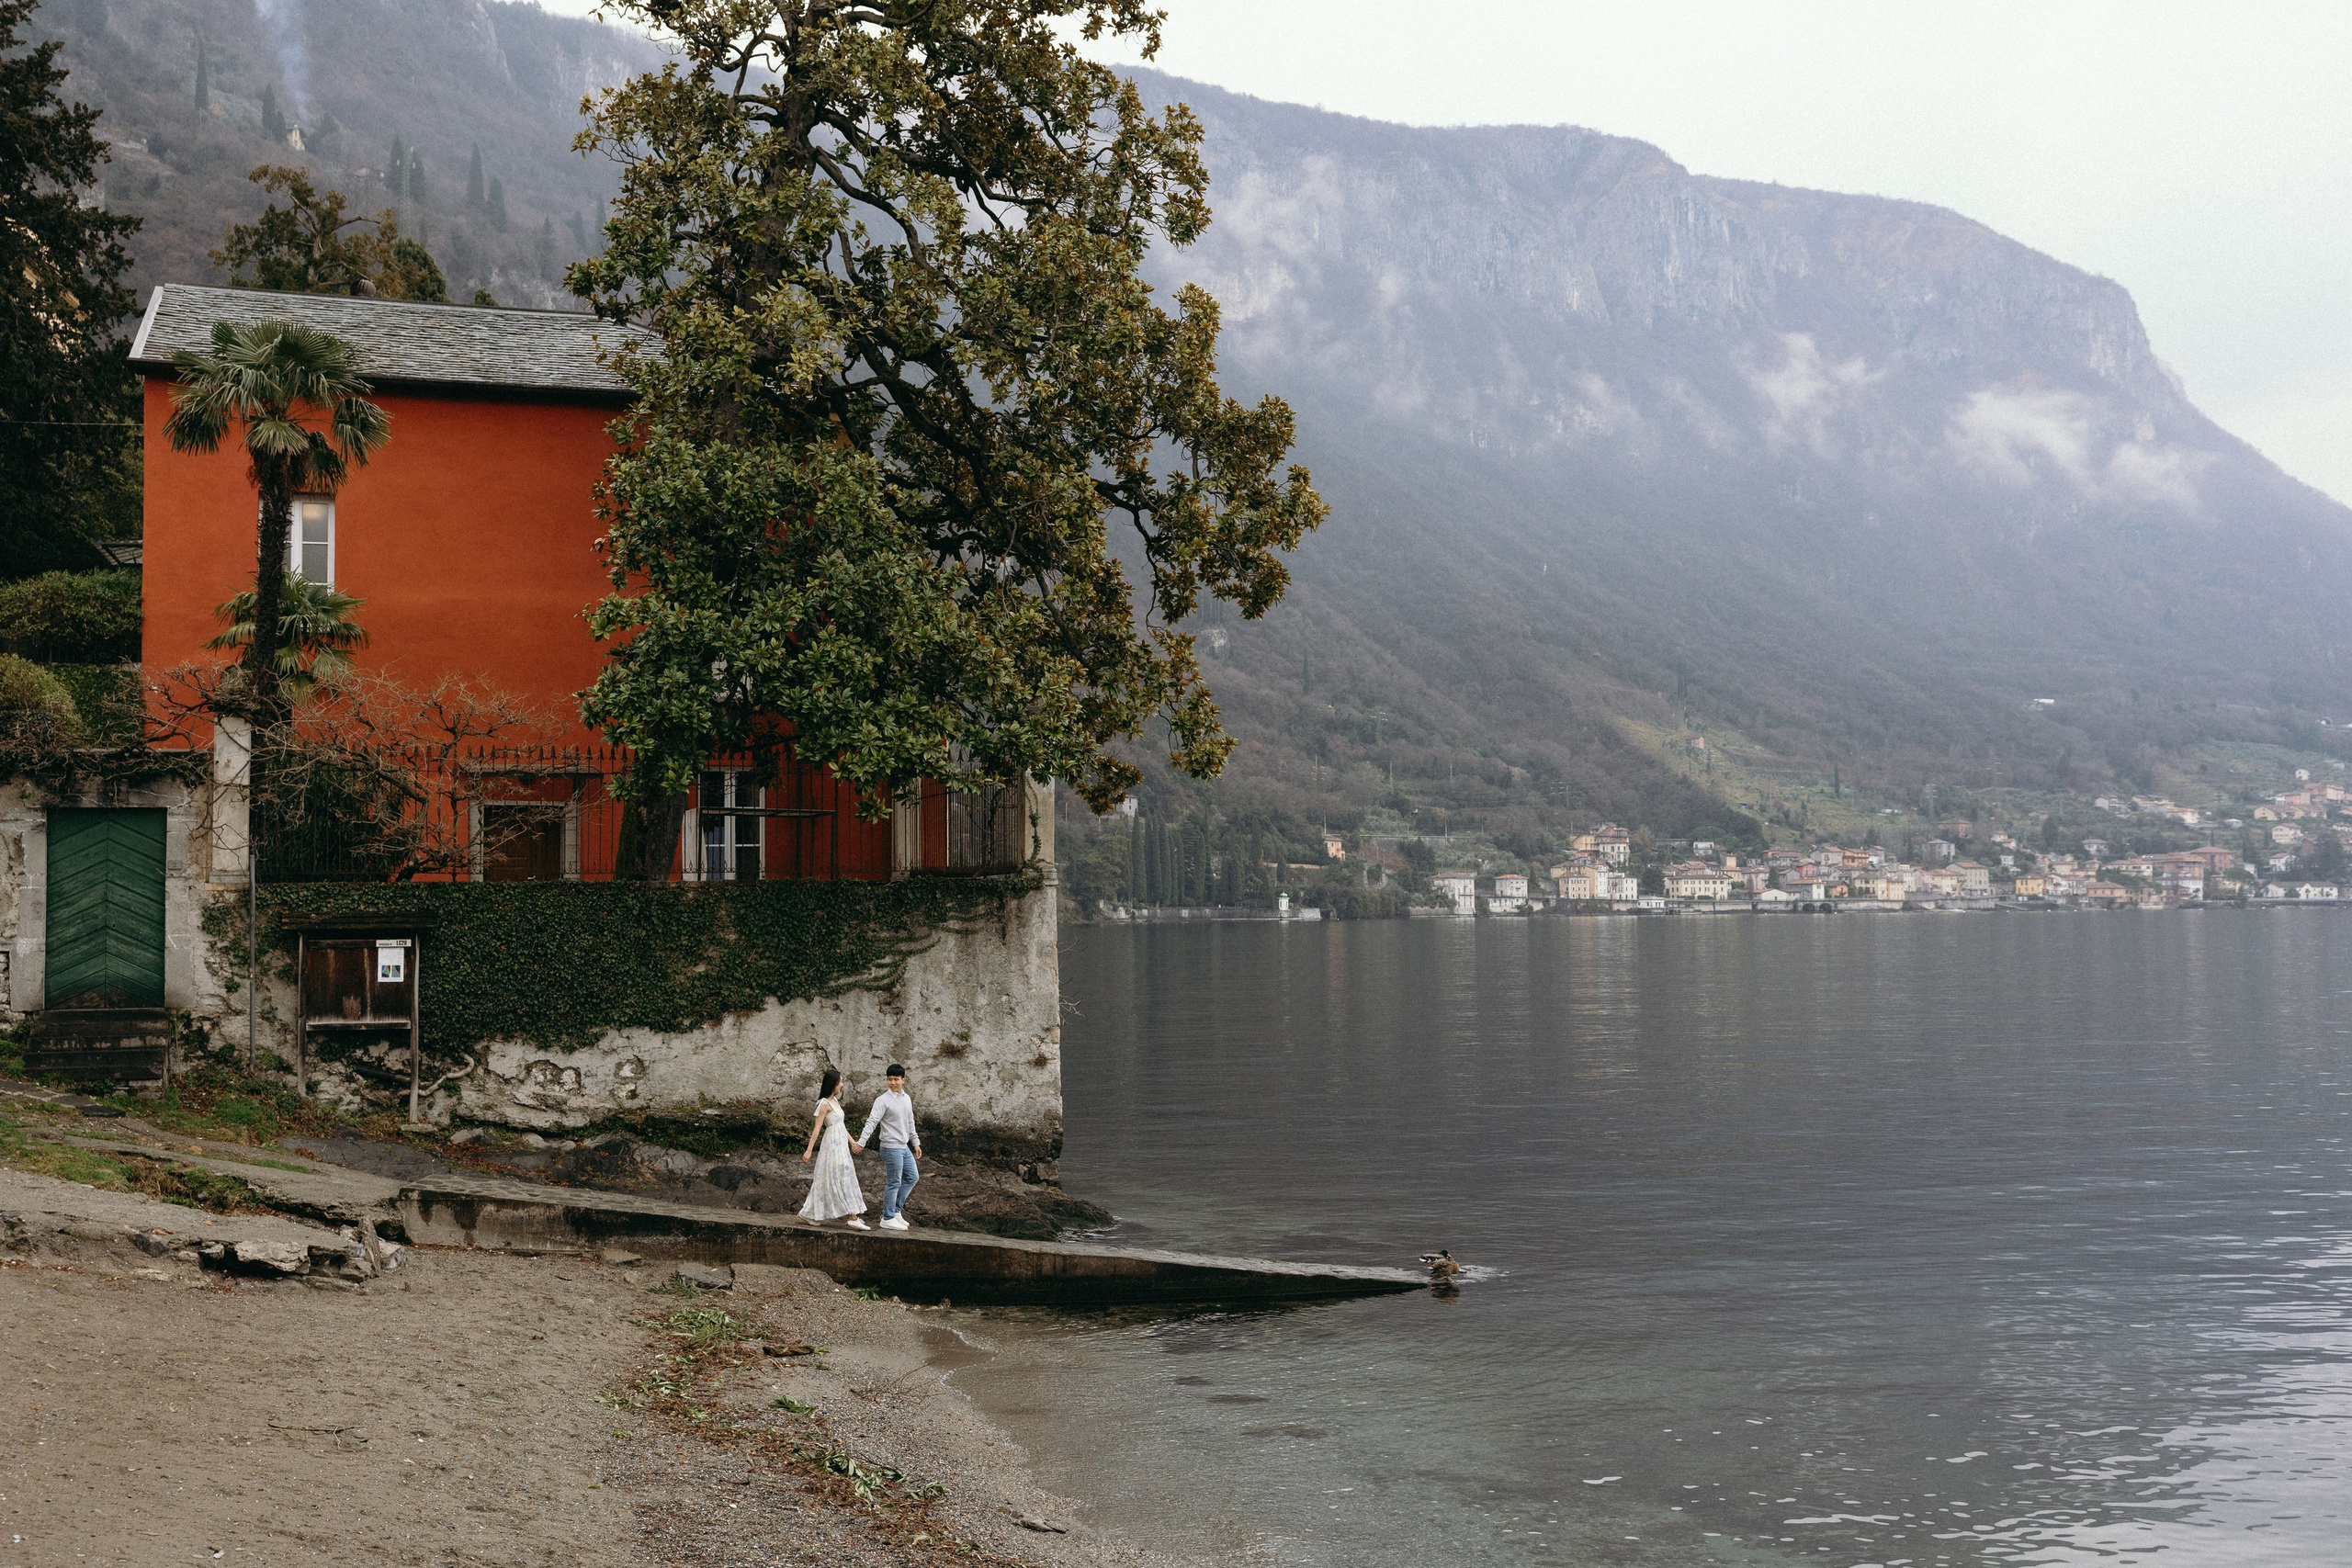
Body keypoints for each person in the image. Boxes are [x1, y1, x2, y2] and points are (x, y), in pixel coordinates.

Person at [852, 1063, 922, 1231]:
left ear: (903, 1080)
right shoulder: (882, 1100)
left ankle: (896, 1210)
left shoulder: (906, 1099)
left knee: (913, 1177)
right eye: (889, 1079)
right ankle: (888, 1217)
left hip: (904, 1146)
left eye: (896, 1079)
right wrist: (861, 1142)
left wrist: (916, 1142)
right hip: (890, 1147)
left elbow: (910, 1122)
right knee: (894, 1182)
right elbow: (872, 1122)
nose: (892, 1083)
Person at [798, 1068, 869, 1229]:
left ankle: (807, 1213)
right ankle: (852, 1216)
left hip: (841, 1145)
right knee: (837, 1175)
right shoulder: (824, 1104)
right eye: (841, 1082)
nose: (842, 1085)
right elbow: (817, 1129)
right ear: (833, 1084)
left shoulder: (836, 1102)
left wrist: (853, 1142)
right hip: (831, 1145)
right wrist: (809, 1150)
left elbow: (841, 1126)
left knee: (843, 1174)